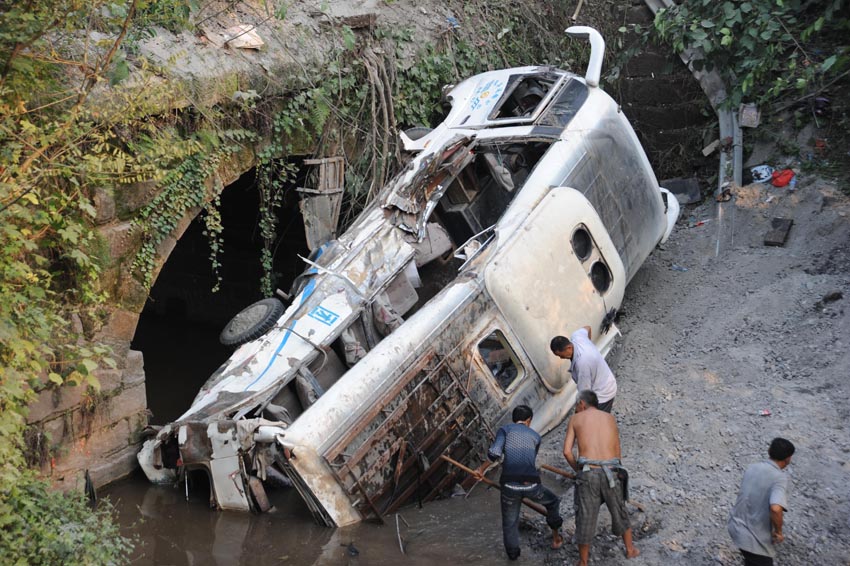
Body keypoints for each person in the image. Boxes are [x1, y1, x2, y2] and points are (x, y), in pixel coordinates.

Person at [474, 404, 563, 560]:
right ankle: (556, 536)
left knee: (510, 523)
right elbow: (530, 461)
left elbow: (494, 453)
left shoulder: (505, 430)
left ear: (514, 419)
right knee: (553, 501)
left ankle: (513, 558)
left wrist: (480, 470)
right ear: (528, 420)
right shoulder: (536, 436)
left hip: (509, 486)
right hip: (532, 485)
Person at [563, 390, 639, 565]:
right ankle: (630, 550)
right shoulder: (609, 418)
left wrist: (578, 470)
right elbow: (617, 450)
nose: (576, 409)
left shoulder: (575, 419)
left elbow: (567, 452)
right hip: (612, 471)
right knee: (619, 510)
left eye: (576, 406)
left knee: (585, 516)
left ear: (582, 403)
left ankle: (583, 562)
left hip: (588, 474)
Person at [727, 438, 795, 566]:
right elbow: (775, 508)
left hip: (735, 526)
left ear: (769, 451)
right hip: (752, 538)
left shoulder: (752, 467)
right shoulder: (779, 478)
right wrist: (779, 531)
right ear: (788, 459)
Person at [550, 325, 617, 412]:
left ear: (569, 347)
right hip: (605, 379)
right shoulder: (577, 336)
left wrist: (579, 412)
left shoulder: (582, 364)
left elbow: (585, 395)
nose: (561, 358)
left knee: (596, 422)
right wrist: (589, 344)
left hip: (603, 394)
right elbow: (588, 327)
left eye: (561, 355)